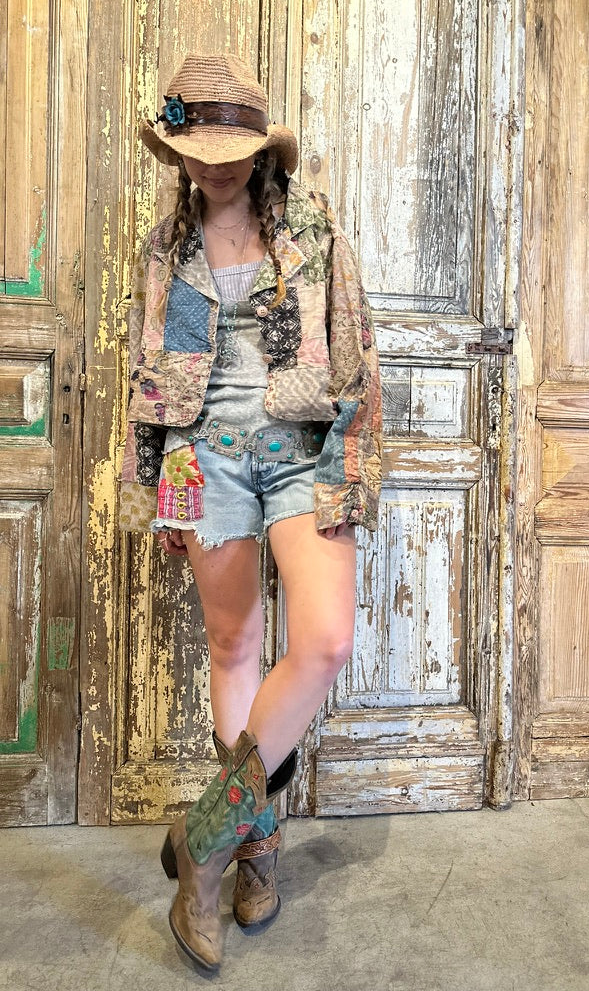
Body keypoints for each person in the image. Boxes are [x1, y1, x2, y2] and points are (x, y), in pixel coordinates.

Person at [118, 53, 382, 973]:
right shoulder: (166, 248)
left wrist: (350, 470)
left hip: (300, 451)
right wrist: (150, 483)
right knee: (233, 645)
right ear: (176, 150)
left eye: (231, 151)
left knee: (324, 641)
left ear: (263, 150)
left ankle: (204, 838)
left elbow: (354, 354)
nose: (214, 166)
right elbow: (147, 374)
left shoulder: (310, 228)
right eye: (196, 148)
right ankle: (257, 845)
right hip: (202, 457)